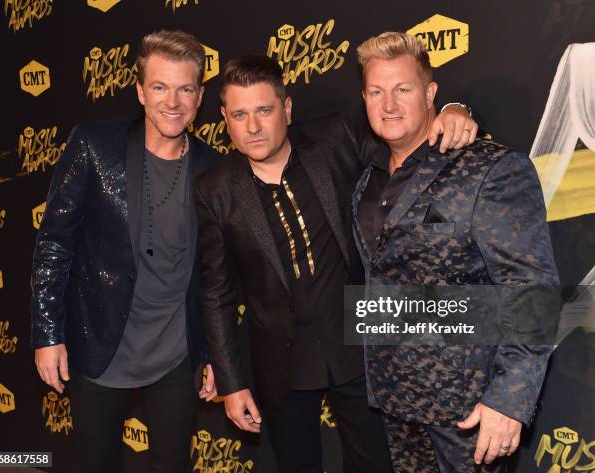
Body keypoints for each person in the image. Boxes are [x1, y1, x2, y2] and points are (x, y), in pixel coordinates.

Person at [194, 54, 477, 473]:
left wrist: (456, 110)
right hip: (280, 362)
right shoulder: (215, 189)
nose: (252, 127)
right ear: (224, 119)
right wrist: (232, 383)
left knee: (376, 464)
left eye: (264, 111)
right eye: (239, 114)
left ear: (286, 110)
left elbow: (408, 144)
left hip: (358, 345)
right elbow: (216, 292)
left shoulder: (334, 138)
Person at [353, 31, 559, 472]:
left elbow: (532, 289)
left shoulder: (491, 168)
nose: (388, 104)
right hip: (395, 401)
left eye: (402, 89)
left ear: (430, 93)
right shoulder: (367, 176)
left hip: (469, 412)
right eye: (376, 91)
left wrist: (509, 401)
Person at [31, 30, 219, 473]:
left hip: (176, 355)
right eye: (159, 87)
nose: (172, 101)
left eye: (184, 88)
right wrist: (47, 334)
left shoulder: (213, 168)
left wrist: (212, 354)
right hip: (99, 345)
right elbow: (54, 241)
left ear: (199, 96)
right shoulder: (95, 146)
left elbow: (214, 276)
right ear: (139, 91)